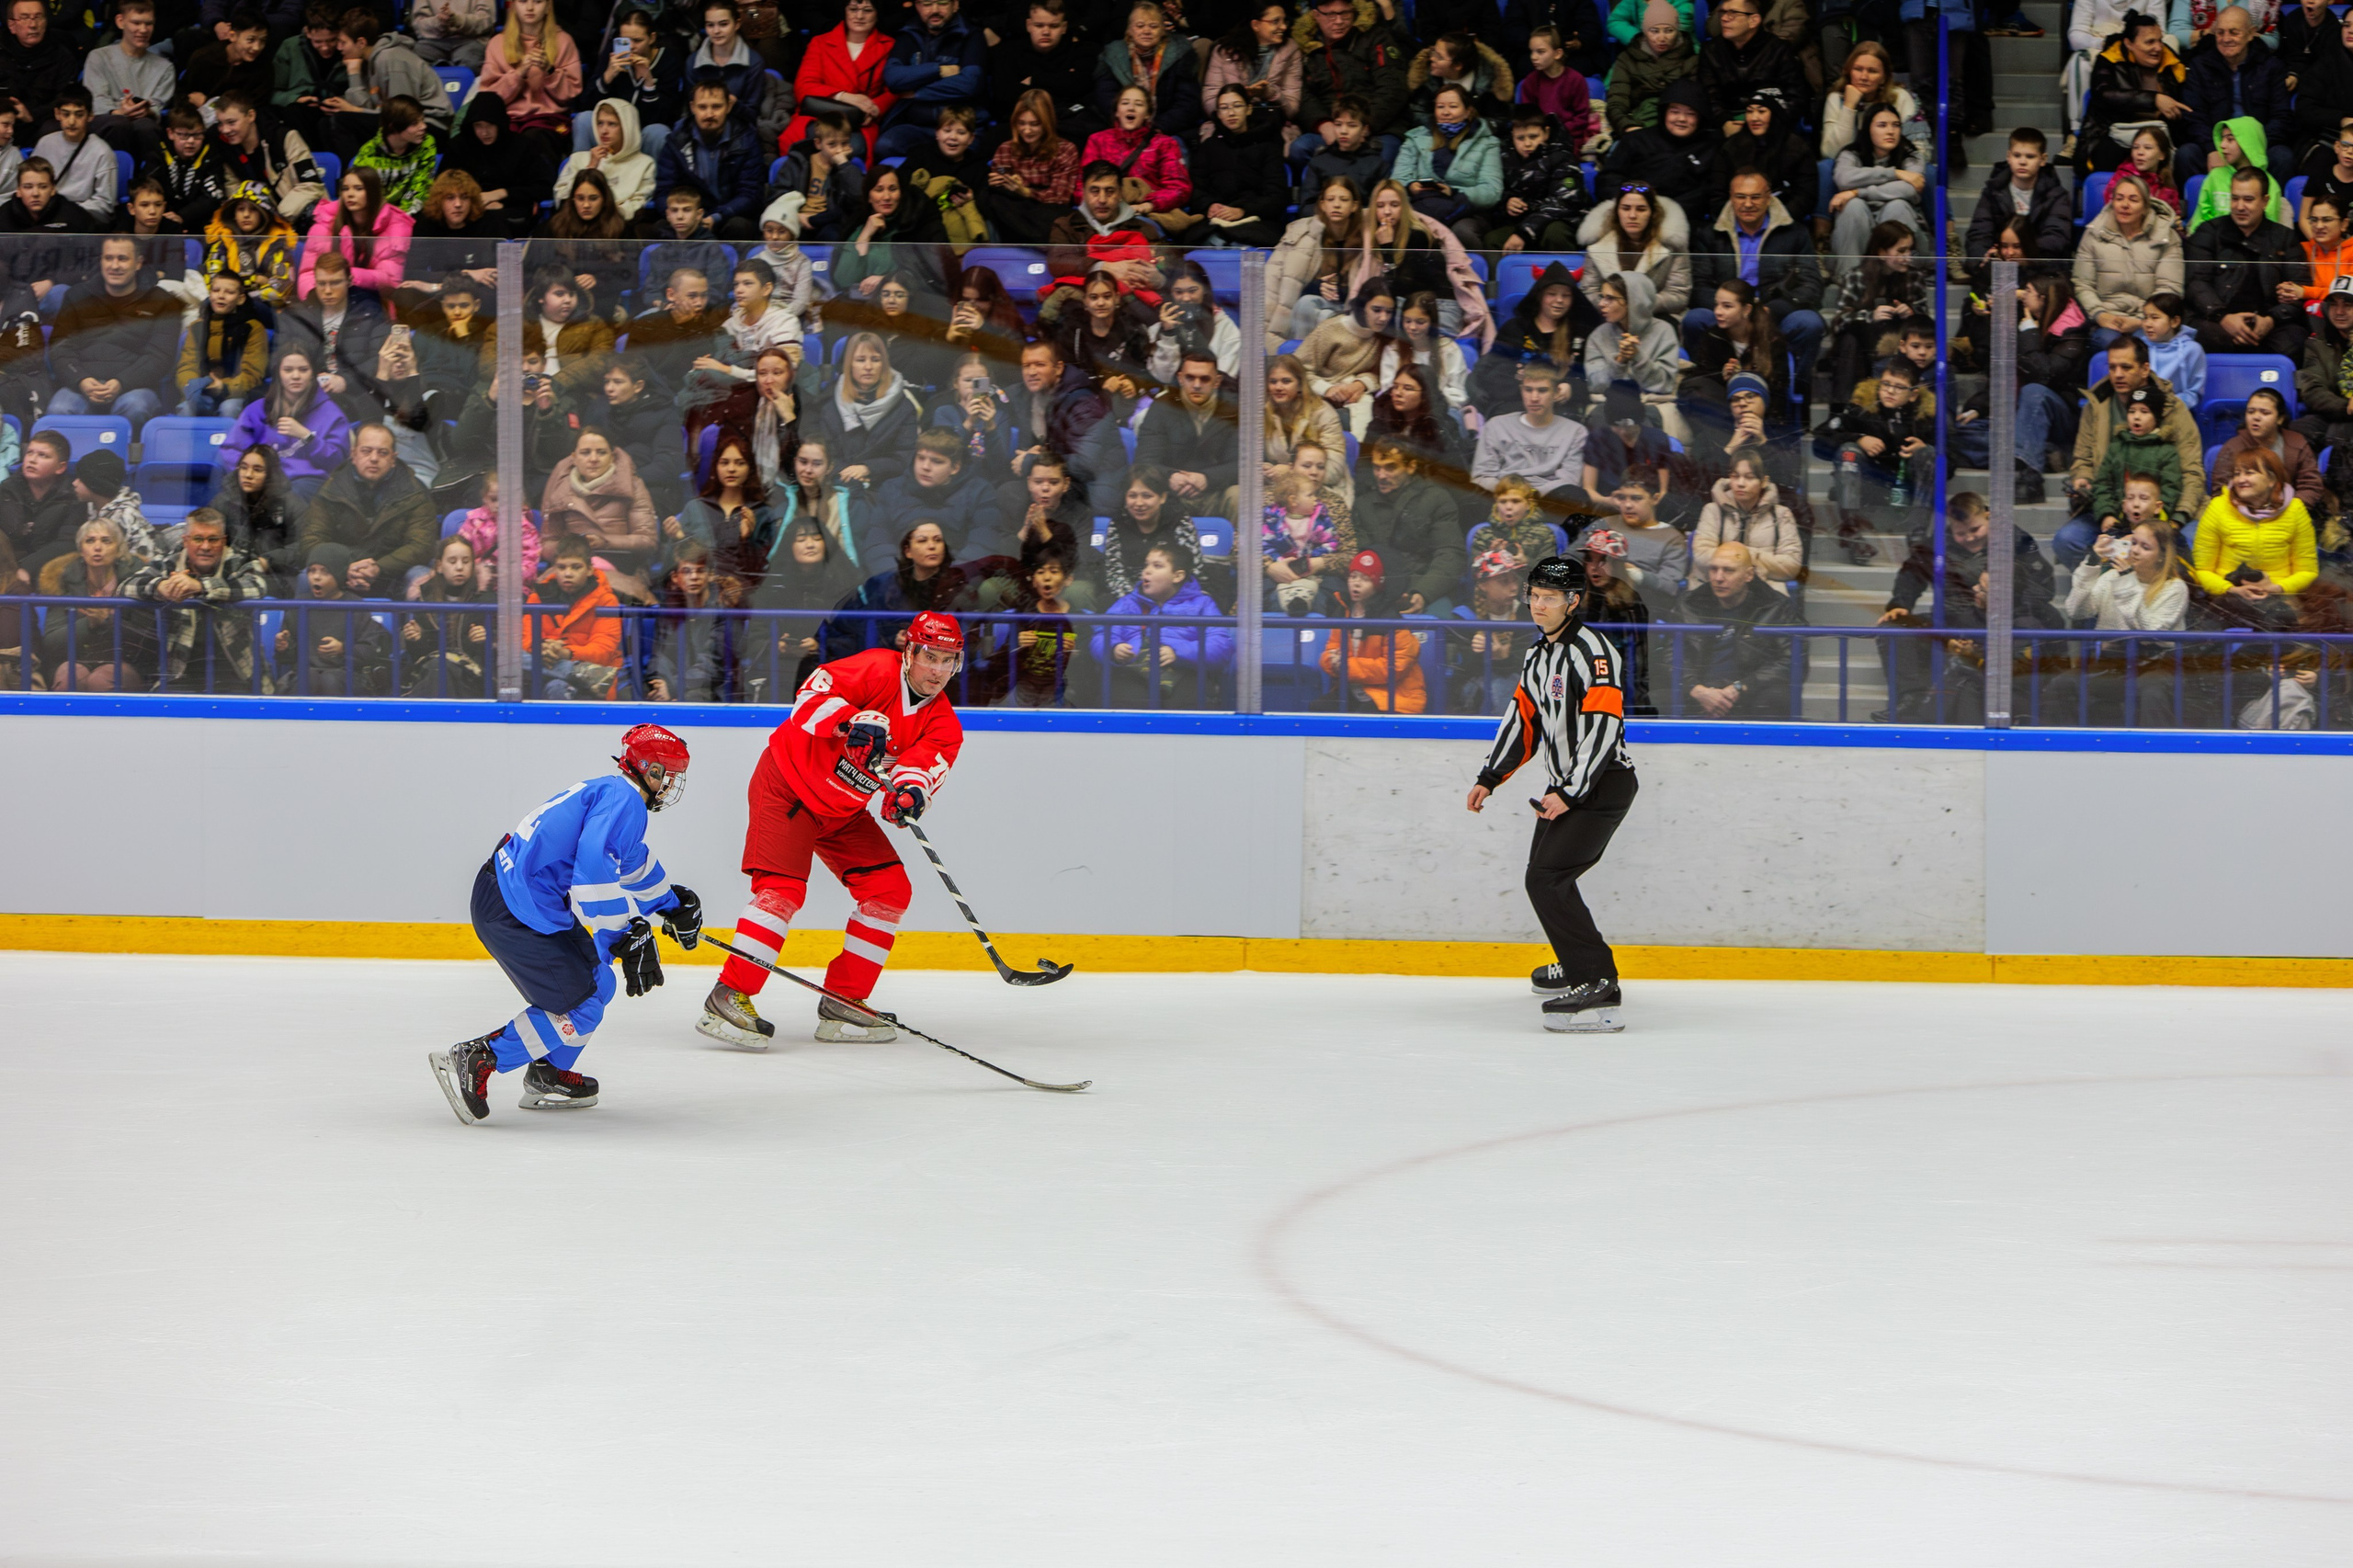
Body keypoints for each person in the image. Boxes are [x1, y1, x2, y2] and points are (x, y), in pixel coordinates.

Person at [699, 612, 966, 1048]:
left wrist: (908, 795)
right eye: (929, 656)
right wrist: (850, 720)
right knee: (781, 892)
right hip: (789, 788)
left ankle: (845, 999)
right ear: (910, 652)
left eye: (948, 661)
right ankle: (730, 995)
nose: (937, 670)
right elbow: (808, 697)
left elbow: (920, 770)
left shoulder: (943, 724)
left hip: (841, 812)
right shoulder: (875, 669)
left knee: (889, 890)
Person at [429, 724, 701, 1125]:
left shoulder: (614, 793)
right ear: (649, 770)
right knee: (584, 1007)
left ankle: (548, 1074)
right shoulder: (625, 799)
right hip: (514, 910)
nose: (670, 784)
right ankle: (478, 1058)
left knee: (600, 984)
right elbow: (592, 869)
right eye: (668, 774)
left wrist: (670, 905)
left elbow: (630, 860)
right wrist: (623, 933)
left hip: (517, 901)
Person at [1465, 552, 1636, 1032]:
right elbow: (1522, 719)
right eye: (1534, 596)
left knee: (1547, 879)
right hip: (1568, 786)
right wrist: (1490, 776)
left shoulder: (1594, 652)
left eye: (1549, 598)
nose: (1537, 606)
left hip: (1601, 784)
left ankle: (1598, 983)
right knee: (1544, 877)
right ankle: (1575, 961)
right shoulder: (1538, 655)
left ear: (1574, 601)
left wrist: (1573, 792)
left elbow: (1605, 726)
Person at [2062, 332, 2209, 563]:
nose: (2117, 374)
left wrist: (2175, 520)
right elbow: (2083, 460)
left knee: (2190, 545)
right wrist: (2083, 481)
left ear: (2144, 369)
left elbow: (2192, 472)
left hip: (2169, 510)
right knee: (2067, 540)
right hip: (2111, 508)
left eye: (2126, 367)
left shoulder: (2173, 408)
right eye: (2112, 367)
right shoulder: (2096, 405)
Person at [1685, 167, 1827, 392]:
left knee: (1809, 323)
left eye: (1755, 197)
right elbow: (1698, 286)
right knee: (1694, 319)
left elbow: (1811, 283)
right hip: (1727, 315)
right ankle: (1707, 388)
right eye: (1740, 197)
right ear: (1731, 198)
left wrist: (1771, 309)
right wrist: (1730, 308)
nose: (1748, 204)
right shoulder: (1709, 234)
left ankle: (1794, 392)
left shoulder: (1795, 233)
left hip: (1773, 315)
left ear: (1769, 197)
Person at [2047, 511, 2189, 725]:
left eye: (2145, 547)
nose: (2135, 551)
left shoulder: (2175, 588)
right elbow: (2076, 611)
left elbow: (2150, 631)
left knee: (2153, 690)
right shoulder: (2112, 577)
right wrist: (2092, 564)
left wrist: (2126, 581)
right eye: (2134, 543)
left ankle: (2156, 752)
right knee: (2062, 685)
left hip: (2156, 665)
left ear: (2161, 555)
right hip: (2113, 662)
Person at [122, 506, 273, 693]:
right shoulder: (169, 562)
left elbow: (256, 586)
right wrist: (160, 587)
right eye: (198, 539)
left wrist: (200, 586)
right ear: (185, 541)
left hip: (237, 672)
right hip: (180, 672)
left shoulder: (241, 561)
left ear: (224, 541)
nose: (206, 547)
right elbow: (125, 586)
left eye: (213, 539)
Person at [48, 232, 176, 428]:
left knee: (136, 407)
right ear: (101, 261)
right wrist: (81, 380)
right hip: (82, 386)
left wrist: (122, 382)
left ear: (138, 263)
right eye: (109, 258)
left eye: (123, 259)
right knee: (60, 409)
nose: (114, 266)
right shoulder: (77, 295)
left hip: (135, 388)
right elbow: (60, 348)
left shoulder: (162, 301)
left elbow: (160, 356)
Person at [2184, 165, 2310, 358]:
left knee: (2295, 339)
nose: (2239, 206)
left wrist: (2271, 319)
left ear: (2265, 201)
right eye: (2235, 198)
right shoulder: (2208, 231)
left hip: (2268, 323)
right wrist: (2222, 317)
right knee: (2206, 336)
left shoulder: (2284, 237)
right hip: (2216, 321)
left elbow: (2300, 288)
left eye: (2248, 199)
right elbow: (2196, 283)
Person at [296, 423, 437, 595]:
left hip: (394, 574)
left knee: (421, 577)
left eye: (382, 452)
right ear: (353, 455)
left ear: (393, 459)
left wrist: (378, 568)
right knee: (306, 577)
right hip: (341, 574)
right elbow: (311, 541)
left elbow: (421, 546)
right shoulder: (332, 489)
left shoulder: (415, 492)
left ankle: (413, 623)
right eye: (366, 451)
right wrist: (344, 568)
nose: (374, 458)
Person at [1090, 539, 1231, 708]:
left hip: (1185, 670)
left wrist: (1178, 652)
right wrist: (1113, 649)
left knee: (1189, 704)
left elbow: (1221, 646)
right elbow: (1101, 636)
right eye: (1146, 565)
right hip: (1133, 671)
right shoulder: (1127, 603)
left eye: (1157, 566)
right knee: (1122, 702)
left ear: (1177, 576)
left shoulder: (1203, 604)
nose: (1146, 572)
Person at [1670, 540, 1799, 717]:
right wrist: (1696, 689)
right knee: (1653, 699)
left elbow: (1791, 660)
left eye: (1728, 570)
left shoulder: (1776, 606)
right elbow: (1669, 654)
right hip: (1699, 690)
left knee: (1775, 699)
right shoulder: (1689, 603)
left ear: (1749, 575)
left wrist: (1742, 687)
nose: (1718, 578)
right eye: (1713, 569)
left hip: (1748, 693)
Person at [1355, 437, 1469, 612]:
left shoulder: (1436, 499)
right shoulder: (1363, 505)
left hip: (1424, 589)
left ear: (1411, 467)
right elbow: (1361, 555)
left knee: (1441, 616)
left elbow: (1450, 554)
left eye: (1391, 467)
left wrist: (1423, 593)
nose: (1381, 475)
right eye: (1377, 467)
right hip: (1376, 593)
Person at [2074, 171, 2185, 350]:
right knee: (2108, 342)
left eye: (2133, 200)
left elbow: (2170, 288)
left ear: (2146, 207)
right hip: (2107, 318)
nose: (2125, 205)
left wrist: (2144, 320)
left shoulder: (2166, 236)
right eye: (2119, 198)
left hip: (2150, 321)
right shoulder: (2094, 233)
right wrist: (2100, 315)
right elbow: (2082, 284)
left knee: (2147, 345)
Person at [2080, 13, 2200, 176]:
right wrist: (2154, 99)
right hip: (2114, 137)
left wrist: (2176, 114)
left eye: (2159, 40)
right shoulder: (2109, 59)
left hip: (2160, 140)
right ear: (2129, 43)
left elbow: (2185, 105)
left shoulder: (2171, 63)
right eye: (2150, 42)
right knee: (2108, 152)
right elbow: (2105, 94)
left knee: (2188, 153)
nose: (2158, 48)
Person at [1290, 0, 1412, 159]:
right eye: (1331, 15)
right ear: (1316, 16)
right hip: (1331, 128)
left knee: (1383, 154)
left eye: (1345, 13)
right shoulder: (1306, 48)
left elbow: (1393, 88)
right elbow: (1304, 95)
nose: (1339, 21)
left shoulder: (1375, 37)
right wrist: (1323, 124)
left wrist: (1362, 126)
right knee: (1300, 149)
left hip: (1377, 128)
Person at [2184, 10, 2290, 185]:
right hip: (2216, 144)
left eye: (2234, 32)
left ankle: (2269, 209)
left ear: (2250, 34)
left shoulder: (2271, 67)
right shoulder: (2200, 66)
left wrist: (2250, 146)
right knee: (2187, 154)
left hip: (2258, 143)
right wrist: (2212, 149)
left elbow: (2281, 117)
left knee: (2283, 157)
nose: (2226, 39)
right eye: (2220, 32)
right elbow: (2194, 116)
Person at [1473, 362, 1591, 515]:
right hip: (1504, 497)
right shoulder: (1496, 425)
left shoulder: (1576, 431)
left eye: (1542, 391)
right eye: (1528, 390)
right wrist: (1514, 496)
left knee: (1574, 496)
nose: (1534, 398)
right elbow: (1482, 475)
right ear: (1522, 391)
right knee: (1474, 499)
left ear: (1556, 393)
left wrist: (1531, 495)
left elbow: (1569, 480)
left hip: (1548, 499)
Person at [875, 0, 985, 162]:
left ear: (955, 5)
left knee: (968, 157)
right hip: (918, 126)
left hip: (959, 128)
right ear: (917, 7)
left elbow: (969, 83)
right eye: (927, 4)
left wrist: (918, 92)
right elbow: (893, 78)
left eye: (942, 3)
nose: (934, 10)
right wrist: (938, 70)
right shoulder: (907, 35)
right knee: (885, 145)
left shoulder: (971, 35)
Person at [475, 0, 583, 165]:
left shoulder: (564, 41)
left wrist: (550, 72)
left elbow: (570, 94)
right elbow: (490, 99)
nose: (530, 8)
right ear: (513, 5)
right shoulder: (497, 43)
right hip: (509, 119)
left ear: (548, 6)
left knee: (534, 138)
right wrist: (519, 73)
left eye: (538, 1)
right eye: (523, 1)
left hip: (549, 120)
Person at [1317, 547, 1424, 712]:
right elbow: (1331, 649)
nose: (1356, 583)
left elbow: (1395, 666)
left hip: (1393, 696)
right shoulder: (1343, 612)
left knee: (1362, 716)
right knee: (1318, 708)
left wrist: (1347, 666)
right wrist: (1332, 661)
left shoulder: (1392, 620)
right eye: (1353, 577)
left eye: (1365, 579)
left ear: (1377, 585)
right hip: (1356, 691)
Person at [784, 0, 894, 160]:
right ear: (845, 12)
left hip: (859, 122)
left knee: (853, 150)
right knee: (809, 145)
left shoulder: (889, 46)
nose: (859, 16)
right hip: (819, 116)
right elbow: (804, 86)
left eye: (867, 10)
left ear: (877, 15)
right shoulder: (820, 43)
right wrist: (844, 96)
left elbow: (894, 91)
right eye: (853, 9)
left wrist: (875, 108)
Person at [440, 94, 557, 237]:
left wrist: (501, 195)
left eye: (490, 125)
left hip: (511, 208)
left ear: (500, 123)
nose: (484, 132)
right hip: (465, 208)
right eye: (478, 126)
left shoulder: (522, 146)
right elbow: (442, 186)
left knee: (492, 221)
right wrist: (475, 203)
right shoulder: (458, 147)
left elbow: (543, 187)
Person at [1192, 82, 1289, 246]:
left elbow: (1277, 197)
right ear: (1218, 114)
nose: (1231, 113)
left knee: (1241, 246)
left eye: (1237, 106)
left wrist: (1243, 211)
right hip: (1215, 221)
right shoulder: (1209, 147)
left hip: (1256, 221)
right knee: (1210, 243)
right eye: (1224, 108)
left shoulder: (1268, 147)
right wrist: (1208, 205)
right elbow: (1195, 187)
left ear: (1249, 109)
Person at [983, 87, 1082, 244]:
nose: (1027, 130)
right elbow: (999, 183)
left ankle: (1029, 240)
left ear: (1046, 123)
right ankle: (1032, 240)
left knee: (1059, 216)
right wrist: (1000, 184)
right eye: (1021, 123)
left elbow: (1060, 197)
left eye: (1034, 124)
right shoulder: (1006, 148)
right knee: (993, 200)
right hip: (1016, 208)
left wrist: (1026, 192)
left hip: (1047, 210)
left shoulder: (1066, 149)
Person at [1693, 450, 1801, 589]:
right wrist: (1755, 561)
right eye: (1735, 476)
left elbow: (1791, 565)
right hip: (1716, 590)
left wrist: (1743, 556)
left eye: (1749, 477)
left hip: (1765, 592)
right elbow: (1702, 555)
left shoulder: (1781, 515)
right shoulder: (1713, 511)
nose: (1741, 483)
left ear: (1764, 482)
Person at [175, 269, 267, 418]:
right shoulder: (197, 327)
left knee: (229, 408)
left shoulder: (253, 328)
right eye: (216, 290)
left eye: (229, 292)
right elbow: (187, 366)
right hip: (200, 391)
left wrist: (223, 387)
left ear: (240, 299)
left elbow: (253, 374)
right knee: (186, 407)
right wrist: (193, 386)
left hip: (236, 394)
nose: (221, 296)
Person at [212, 441, 301, 584]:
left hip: (275, 578)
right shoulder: (223, 501)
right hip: (229, 575)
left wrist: (269, 561)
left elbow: (303, 545)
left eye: (258, 470)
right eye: (243, 468)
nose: (248, 475)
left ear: (271, 474)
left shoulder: (289, 503)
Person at [553, 98, 655, 222]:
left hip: (619, 226)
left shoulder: (645, 163)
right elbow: (562, 197)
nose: (604, 131)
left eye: (612, 124)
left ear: (627, 127)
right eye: (600, 123)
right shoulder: (579, 158)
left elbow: (638, 203)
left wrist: (605, 213)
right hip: (577, 225)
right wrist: (590, 168)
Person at [1608, 3, 1699, 136]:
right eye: (1654, 31)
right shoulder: (1627, 59)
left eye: (1669, 30)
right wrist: (1627, 126)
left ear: (1678, 29)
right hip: (1638, 124)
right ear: (1644, 30)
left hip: (1678, 129)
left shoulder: (1691, 59)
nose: (1662, 38)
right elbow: (1616, 102)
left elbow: (1694, 105)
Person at [36, 85, 118, 222]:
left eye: (79, 115)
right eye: (66, 114)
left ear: (90, 115)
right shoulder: (45, 143)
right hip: (47, 213)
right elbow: (33, 183)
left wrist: (67, 213)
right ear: (57, 114)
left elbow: (105, 204)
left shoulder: (102, 152)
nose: (72, 121)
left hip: (83, 217)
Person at [350, 97, 441, 216]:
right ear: (393, 127)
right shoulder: (369, 152)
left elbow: (421, 186)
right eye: (415, 123)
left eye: (422, 120)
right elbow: (363, 194)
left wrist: (402, 217)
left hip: (412, 212)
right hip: (376, 214)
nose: (423, 126)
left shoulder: (427, 143)